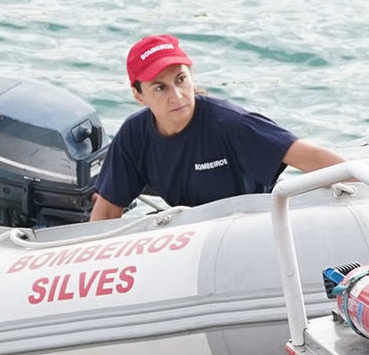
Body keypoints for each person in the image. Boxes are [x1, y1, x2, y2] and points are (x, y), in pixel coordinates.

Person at [90, 34, 344, 219]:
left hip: (254, 224)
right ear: (138, 96)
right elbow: (108, 210)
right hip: (193, 231)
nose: (177, 96)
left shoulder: (231, 123)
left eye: (181, 79)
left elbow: (311, 157)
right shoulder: (133, 135)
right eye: (160, 87)